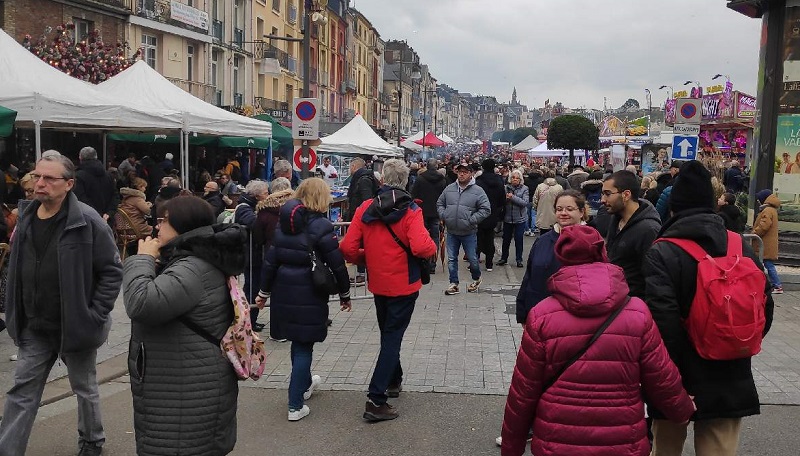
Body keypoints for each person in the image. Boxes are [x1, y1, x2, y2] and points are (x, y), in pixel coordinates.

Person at [501, 225, 695, 456]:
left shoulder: (541, 315)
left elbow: (523, 392)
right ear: (603, 254)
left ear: (561, 258)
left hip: (557, 440)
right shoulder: (637, 312)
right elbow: (661, 376)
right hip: (622, 439)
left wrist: (511, 448)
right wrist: (682, 410)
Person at [644, 160, 775, 456]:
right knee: (719, 448)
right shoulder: (739, 245)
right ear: (711, 203)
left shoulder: (662, 250)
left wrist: (668, 372)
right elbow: (764, 306)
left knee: (666, 445)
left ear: (673, 207)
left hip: (676, 372)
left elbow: (661, 320)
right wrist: (737, 340)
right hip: (730, 370)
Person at [0, 151, 123, 456]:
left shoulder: (87, 220)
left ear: (68, 184)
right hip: (34, 326)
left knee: (84, 387)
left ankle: (92, 441)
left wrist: (94, 313)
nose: (40, 183)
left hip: (75, 325)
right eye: (37, 176)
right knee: (22, 393)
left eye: (49, 178)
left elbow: (111, 269)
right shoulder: (26, 217)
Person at [123, 196, 246, 456]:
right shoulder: (195, 259)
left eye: (164, 221)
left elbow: (141, 303)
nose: (157, 227)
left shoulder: (191, 267)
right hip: (186, 378)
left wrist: (141, 259)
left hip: (186, 387)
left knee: (179, 446)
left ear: (183, 225)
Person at [340, 159, 437, 422]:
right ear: (406, 182)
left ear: (382, 180)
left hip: (379, 282)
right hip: (404, 282)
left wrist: (367, 258)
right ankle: (376, 398)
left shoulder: (365, 208)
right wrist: (433, 246)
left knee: (388, 334)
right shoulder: (410, 211)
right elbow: (421, 247)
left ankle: (394, 380)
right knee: (392, 338)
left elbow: (348, 248)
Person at [254, 178, 350, 421]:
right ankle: (295, 405)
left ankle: (305, 384)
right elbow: (337, 264)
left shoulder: (283, 223)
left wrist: (263, 292)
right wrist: (344, 294)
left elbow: (270, 260)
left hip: (284, 288)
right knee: (303, 345)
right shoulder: (322, 226)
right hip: (310, 289)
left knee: (297, 341)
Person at [515, 190, 587, 324]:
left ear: (581, 212)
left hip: (574, 321)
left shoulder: (591, 242)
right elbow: (529, 277)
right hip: (539, 315)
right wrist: (522, 312)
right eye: (559, 209)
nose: (563, 213)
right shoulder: (542, 241)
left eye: (569, 209)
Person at [601, 170, 661, 299]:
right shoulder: (615, 219)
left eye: (607, 194)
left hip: (634, 304)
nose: (602, 200)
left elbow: (655, 277)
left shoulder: (648, 229)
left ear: (626, 195)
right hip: (616, 300)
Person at [437, 162, 490, 295]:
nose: (461, 174)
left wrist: (472, 220)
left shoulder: (478, 191)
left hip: (469, 232)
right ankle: (453, 283)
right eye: (460, 171)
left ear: (471, 173)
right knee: (452, 259)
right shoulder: (449, 188)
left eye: (465, 172)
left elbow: (486, 209)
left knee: (472, 258)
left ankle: (476, 278)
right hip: (452, 231)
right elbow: (440, 203)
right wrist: (444, 215)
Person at [252, 177, 294, 341]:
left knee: (276, 293)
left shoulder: (264, 210)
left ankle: (278, 332)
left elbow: (258, 236)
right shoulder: (297, 207)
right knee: (293, 292)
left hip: (272, 255)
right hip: (294, 253)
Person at [233, 180, 270, 331]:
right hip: (250, 255)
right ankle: (248, 322)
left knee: (254, 288)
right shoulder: (243, 208)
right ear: (257, 195)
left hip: (255, 254)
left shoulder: (251, 206)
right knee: (251, 289)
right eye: (266, 193)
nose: (268, 195)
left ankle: (252, 321)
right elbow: (254, 223)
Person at [345, 157, 379, 286]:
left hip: (361, 218)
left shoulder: (363, 180)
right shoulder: (364, 178)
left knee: (361, 245)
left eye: (350, 167)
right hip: (359, 217)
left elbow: (366, 200)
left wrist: (361, 215)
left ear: (354, 166)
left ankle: (362, 274)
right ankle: (362, 273)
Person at [411, 158, 448, 273]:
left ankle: (424, 261)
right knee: (435, 237)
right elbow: (445, 197)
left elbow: (414, 195)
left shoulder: (420, 179)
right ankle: (432, 263)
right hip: (436, 212)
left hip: (422, 212)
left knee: (422, 236)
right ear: (436, 167)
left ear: (426, 166)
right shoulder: (442, 180)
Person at [475, 158, 506, 271]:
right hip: (493, 212)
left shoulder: (479, 181)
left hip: (480, 212)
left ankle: (475, 261)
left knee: (478, 237)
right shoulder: (499, 181)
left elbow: (475, 197)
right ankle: (489, 264)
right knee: (489, 237)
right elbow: (502, 198)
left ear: (483, 167)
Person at [74, 146, 118, 223]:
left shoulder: (78, 176)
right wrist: (109, 213)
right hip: (107, 220)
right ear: (96, 157)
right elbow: (115, 196)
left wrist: (97, 214)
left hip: (86, 220)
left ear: (80, 158)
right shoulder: (109, 175)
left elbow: (80, 199)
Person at [753, 189, 782, 293]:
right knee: (767, 263)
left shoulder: (767, 210)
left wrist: (754, 233)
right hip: (767, 243)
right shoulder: (771, 209)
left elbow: (764, 225)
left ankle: (777, 285)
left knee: (768, 264)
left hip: (765, 243)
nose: (757, 201)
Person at [498, 169, 529, 268]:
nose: (515, 179)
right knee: (506, 240)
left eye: (517, 178)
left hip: (520, 219)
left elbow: (524, 203)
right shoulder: (505, 188)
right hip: (508, 218)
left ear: (520, 179)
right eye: (513, 178)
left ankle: (519, 259)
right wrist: (505, 199)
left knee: (518, 240)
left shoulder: (524, 189)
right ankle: (504, 258)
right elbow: (501, 201)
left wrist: (513, 197)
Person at [118, 177, 153, 256]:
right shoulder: (137, 199)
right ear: (140, 187)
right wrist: (150, 205)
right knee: (155, 230)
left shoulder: (126, 198)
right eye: (144, 187)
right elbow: (147, 211)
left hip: (126, 228)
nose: (145, 189)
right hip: (136, 227)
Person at [533, 171, 563, 235]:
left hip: (542, 213)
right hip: (555, 214)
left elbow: (535, 200)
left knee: (543, 234)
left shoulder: (540, 186)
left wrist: (536, 208)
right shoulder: (559, 188)